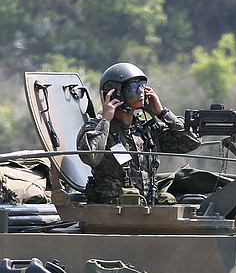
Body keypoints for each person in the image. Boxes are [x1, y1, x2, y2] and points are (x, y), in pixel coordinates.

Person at [76, 62, 201, 204]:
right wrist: (106, 120)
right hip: (112, 213)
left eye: (142, 84)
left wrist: (162, 113)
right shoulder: (97, 128)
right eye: (133, 86)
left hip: (146, 210)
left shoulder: (144, 130)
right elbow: (90, 157)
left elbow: (191, 142)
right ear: (115, 92)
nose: (141, 91)